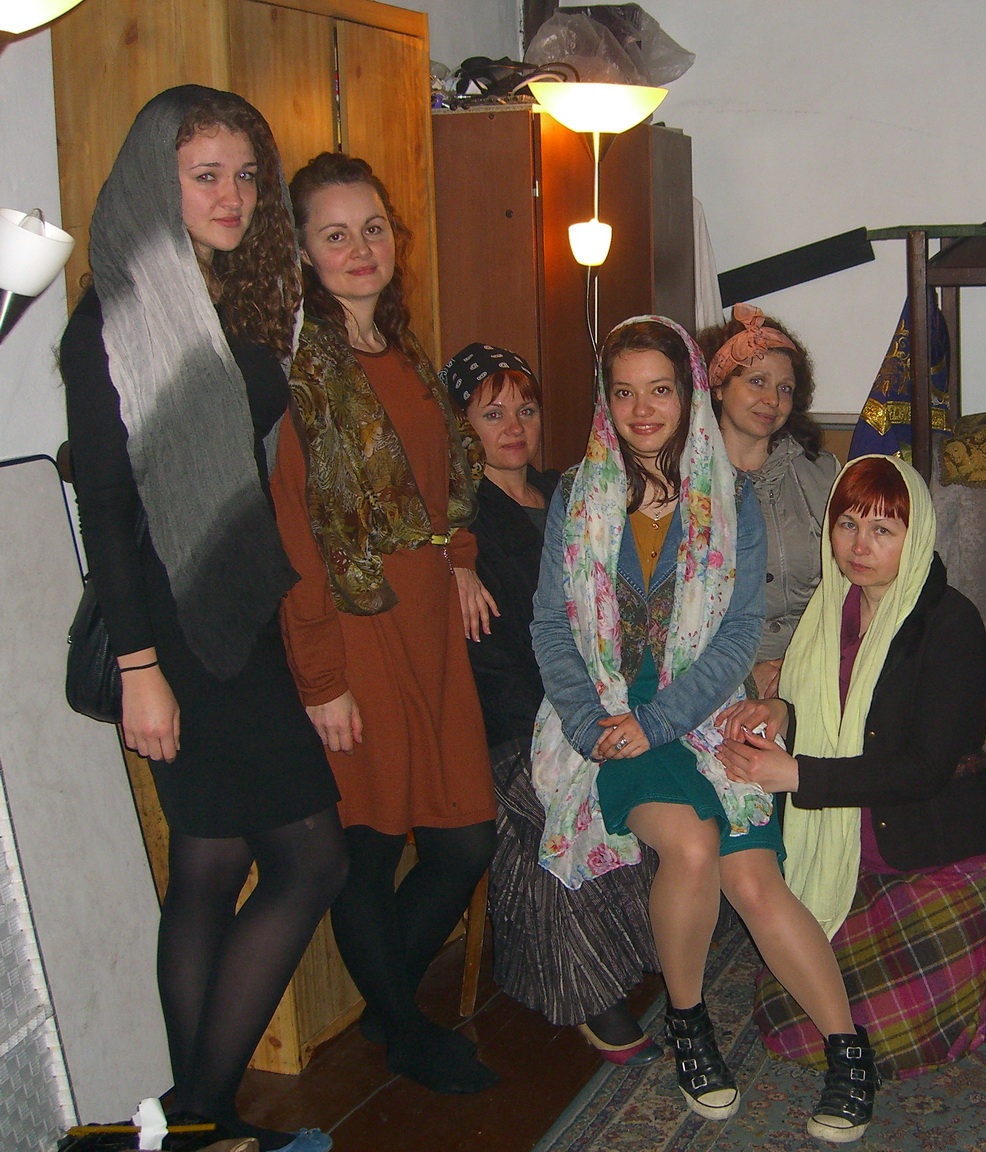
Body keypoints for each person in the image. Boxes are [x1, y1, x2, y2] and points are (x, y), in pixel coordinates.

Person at [61, 86, 343, 1152]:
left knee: (213, 868)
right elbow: (108, 510)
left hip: (235, 614)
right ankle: (197, 1116)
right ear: (155, 181)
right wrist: (142, 668)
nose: (233, 195)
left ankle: (198, 1124)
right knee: (310, 860)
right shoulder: (113, 321)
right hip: (178, 636)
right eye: (205, 175)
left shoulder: (219, 299)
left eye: (245, 175)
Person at [531, 316, 880, 1143]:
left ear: (689, 394)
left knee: (755, 880)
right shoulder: (578, 495)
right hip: (607, 714)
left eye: (660, 390)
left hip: (698, 707)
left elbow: (736, 636)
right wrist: (592, 721)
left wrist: (662, 719)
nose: (642, 410)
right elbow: (551, 623)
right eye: (624, 392)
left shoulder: (730, 496)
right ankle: (690, 1024)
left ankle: (849, 1050)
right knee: (690, 845)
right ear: (605, 401)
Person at [272, 152, 499, 1094]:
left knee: (463, 837)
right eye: (336, 235)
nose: (360, 249)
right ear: (303, 254)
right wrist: (322, 680)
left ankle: (386, 1004)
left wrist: (460, 558)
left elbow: (445, 483)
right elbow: (295, 537)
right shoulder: (301, 373)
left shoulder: (402, 351)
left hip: (429, 625)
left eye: (372, 228)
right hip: (354, 627)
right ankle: (405, 1031)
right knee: (366, 842)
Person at [717, 455, 986, 1079]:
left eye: (883, 529)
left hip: (938, 855)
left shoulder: (950, 624)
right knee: (792, 1023)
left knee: (880, 1038)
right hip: (849, 857)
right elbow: (833, 718)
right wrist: (780, 712)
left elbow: (924, 769)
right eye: (848, 524)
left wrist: (798, 776)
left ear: (915, 536)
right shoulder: (830, 610)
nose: (860, 546)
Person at [440, 342, 662, 1066]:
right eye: (492, 414)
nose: (514, 427)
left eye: (527, 410)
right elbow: (489, 657)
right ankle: (587, 988)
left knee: (666, 774)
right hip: (509, 719)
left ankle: (647, 951)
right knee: (563, 803)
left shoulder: (570, 493)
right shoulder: (457, 521)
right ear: (461, 426)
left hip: (597, 700)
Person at [697, 303, 840, 698]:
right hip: (715, 678)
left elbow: (853, 590)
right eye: (757, 382)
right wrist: (747, 679)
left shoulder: (824, 474)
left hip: (820, 667)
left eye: (784, 389)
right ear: (718, 387)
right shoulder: (682, 482)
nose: (773, 400)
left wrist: (800, 666)